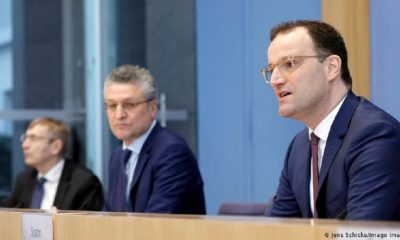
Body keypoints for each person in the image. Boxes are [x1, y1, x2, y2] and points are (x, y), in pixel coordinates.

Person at [262, 20, 400, 220]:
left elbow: (363, 233)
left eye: (289, 64)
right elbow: (276, 230)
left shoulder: (376, 136)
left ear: (331, 67)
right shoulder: (299, 147)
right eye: (271, 69)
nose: (275, 80)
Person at [103, 64, 206, 214]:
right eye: (112, 105)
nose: (119, 115)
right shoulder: (118, 156)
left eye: (129, 105)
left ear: (152, 108)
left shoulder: (172, 153)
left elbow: (155, 225)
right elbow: (109, 218)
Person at [5, 117, 104, 210]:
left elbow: (86, 225)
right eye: (25, 138)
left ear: (56, 146)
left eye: (33, 138)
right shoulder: (24, 179)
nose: (24, 145)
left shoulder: (84, 182)